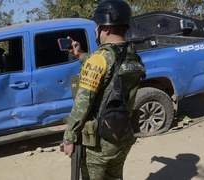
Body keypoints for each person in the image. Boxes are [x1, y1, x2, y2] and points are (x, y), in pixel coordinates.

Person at [61, 0, 146, 179]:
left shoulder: (100, 58)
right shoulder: (132, 55)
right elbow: (110, 70)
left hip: (99, 143)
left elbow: (82, 105)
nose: (95, 31)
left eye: (98, 26)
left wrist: (69, 137)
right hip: (122, 137)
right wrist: (80, 54)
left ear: (106, 28)